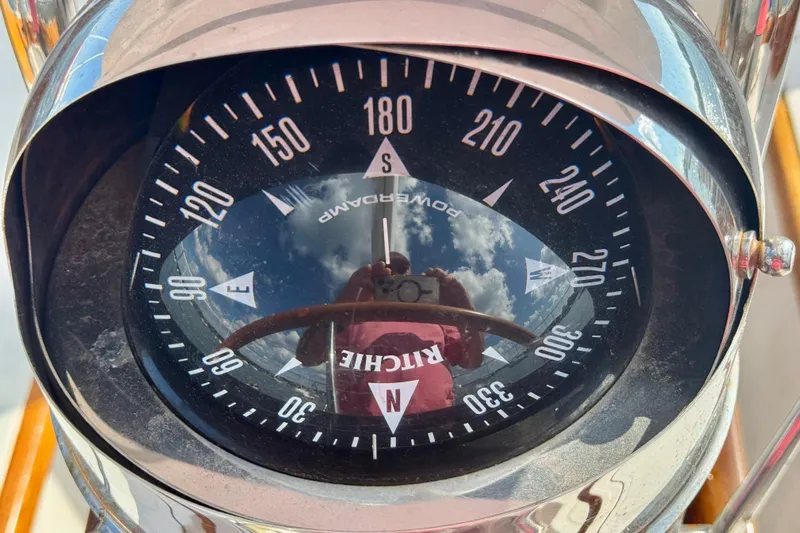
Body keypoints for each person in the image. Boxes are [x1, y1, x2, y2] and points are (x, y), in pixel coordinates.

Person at [296, 252, 483, 418]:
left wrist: (463, 307)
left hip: (440, 430)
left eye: (402, 269)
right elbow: (307, 357)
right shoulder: (351, 316)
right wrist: (345, 303)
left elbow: (472, 361)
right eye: (386, 270)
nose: (395, 274)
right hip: (357, 437)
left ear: (411, 277)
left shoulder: (435, 315)